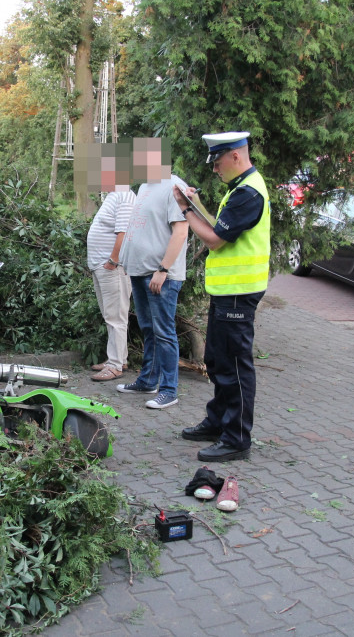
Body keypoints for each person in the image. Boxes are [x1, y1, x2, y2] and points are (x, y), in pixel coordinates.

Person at [173, 131, 269, 463]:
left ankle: (236, 439)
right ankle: (218, 422)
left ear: (236, 157)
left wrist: (185, 211)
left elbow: (214, 239)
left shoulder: (248, 194)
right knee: (216, 360)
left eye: (217, 161)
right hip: (227, 293)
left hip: (239, 295)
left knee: (235, 368)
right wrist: (197, 204)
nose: (215, 168)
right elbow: (220, 226)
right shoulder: (239, 190)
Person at [116, 137, 189, 410]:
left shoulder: (175, 187)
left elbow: (181, 231)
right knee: (149, 329)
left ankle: (169, 390)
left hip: (160, 276)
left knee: (164, 332)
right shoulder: (146, 185)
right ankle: (148, 380)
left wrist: (163, 270)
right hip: (140, 272)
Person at [84, 143, 136, 382]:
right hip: (103, 266)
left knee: (116, 316)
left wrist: (113, 261)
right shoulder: (115, 195)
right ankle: (118, 358)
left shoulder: (124, 195)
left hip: (112, 268)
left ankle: (115, 365)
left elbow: (123, 233)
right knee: (111, 316)